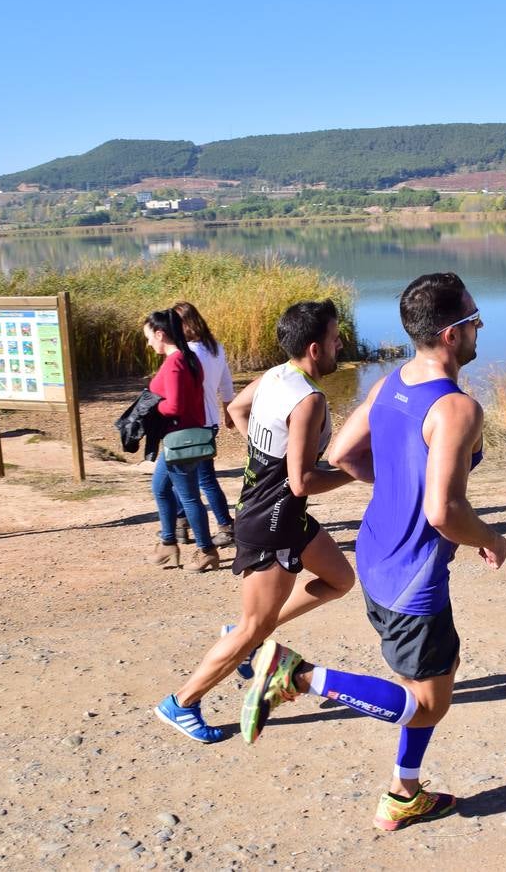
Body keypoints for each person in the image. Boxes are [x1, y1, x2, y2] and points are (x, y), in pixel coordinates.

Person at [239, 273, 506, 832]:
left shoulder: (392, 384)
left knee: (444, 669)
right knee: (429, 702)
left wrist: (396, 486)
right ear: (453, 334)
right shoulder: (457, 409)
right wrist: (490, 537)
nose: (481, 325)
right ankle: (298, 675)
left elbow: (341, 454)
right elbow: (443, 512)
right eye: (475, 317)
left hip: (377, 552)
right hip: (413, 574)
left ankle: (403, 793)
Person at [153, 299, 356, 744]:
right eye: (335, 337)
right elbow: (302, 481)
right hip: (272, 521)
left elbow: (235, 413)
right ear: (315, 348)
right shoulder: (308, 399)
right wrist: (357, 472)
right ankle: (182, 702)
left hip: (276, 510)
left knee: (340, 579)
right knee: (253, 627)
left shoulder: (276, 375)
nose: (341, 343)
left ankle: (249, 633)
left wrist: (264, 457)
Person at [145, 308, 219, 572]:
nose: (149, 343)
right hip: (183, 436)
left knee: (188, 498)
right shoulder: (189, 359)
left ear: (160, 334)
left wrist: (152, 407)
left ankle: (206, 550)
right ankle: (168, 545)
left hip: (181, 439)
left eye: (149, 337)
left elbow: (175, 406)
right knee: (161, 488)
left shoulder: (176, 362)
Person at [172, 301, 236, 548]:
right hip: (209, 422)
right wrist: (228, 412)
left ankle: (223, 526)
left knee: (192, 477)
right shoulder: (214, 348)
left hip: (189, 422)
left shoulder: (185, 353)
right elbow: (227, 384)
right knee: (195, 477)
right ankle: (184, 524)